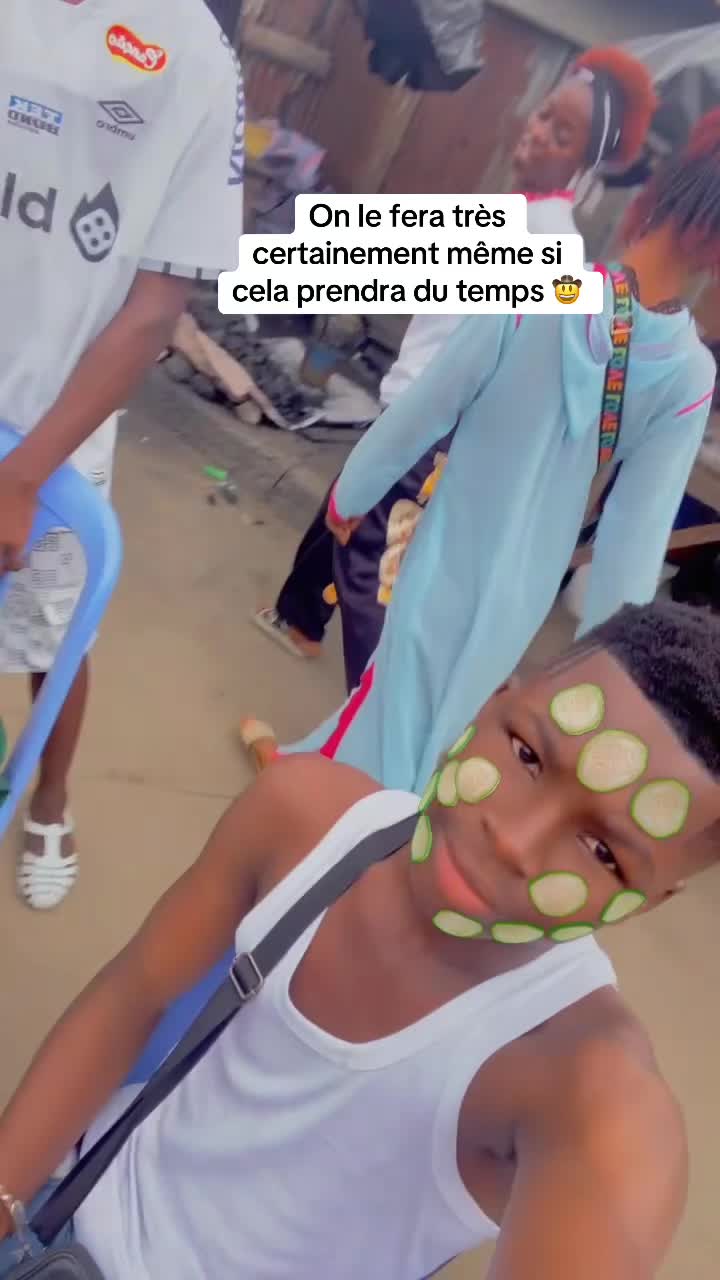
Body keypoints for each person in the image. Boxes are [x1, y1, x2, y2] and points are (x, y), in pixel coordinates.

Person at [0, 600, 719, 1279]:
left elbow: (612, 1182)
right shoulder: (303, 820)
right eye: (528, 755)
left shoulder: (588, 1091)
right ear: (491, 701)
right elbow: (131, 997)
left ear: (651, 901)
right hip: (68, 1231)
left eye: (602, 853)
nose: (516, 842)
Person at [278, 110, 719, 795]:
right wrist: (614, 674)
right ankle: (340, 795)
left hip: (446, 546)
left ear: (662, 195)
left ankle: (339, 821)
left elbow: (433, 401)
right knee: (436, 721)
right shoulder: (687, 375)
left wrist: (353, 492)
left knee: (393, 705)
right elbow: (633, 543)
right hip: (523, 590)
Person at [248, 46, 657, 687]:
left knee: (371, 562)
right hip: (409, 405)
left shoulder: (550, 243)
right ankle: (299, 617)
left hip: (434, 426)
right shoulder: (510, 215)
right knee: (344, 505)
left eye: (562, 134)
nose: (538, 132)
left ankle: (379, 712)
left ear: (583, 165)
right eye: (544, 115)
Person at [0, 0, 245, 908]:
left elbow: (153, 310)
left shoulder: (194, 58)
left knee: (54, 636)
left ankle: (50, 799)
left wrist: (25, 474)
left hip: (52, 436)